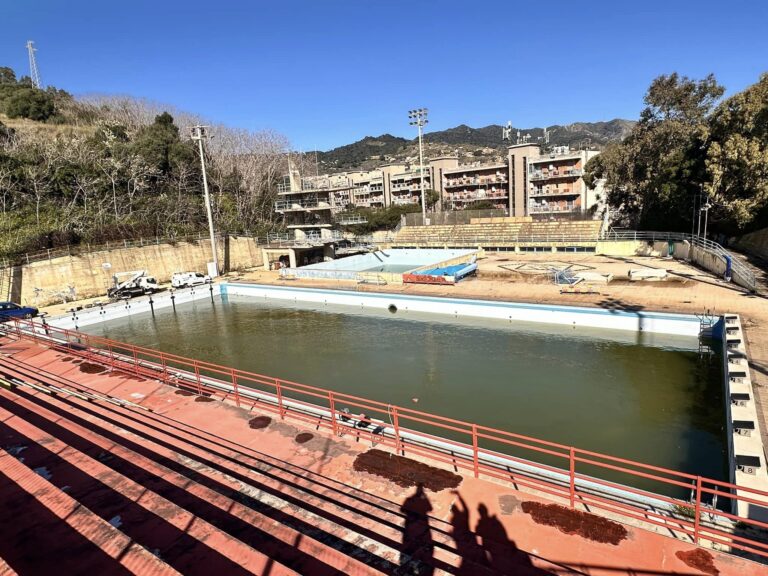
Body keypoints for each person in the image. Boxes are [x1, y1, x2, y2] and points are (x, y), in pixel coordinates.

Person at [399, 483, 434, 575]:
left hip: (410, 526)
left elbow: (402, 509)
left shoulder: (409, 499)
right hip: (420, 525)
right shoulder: (422, 499)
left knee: (410, 543)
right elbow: (430, 508)